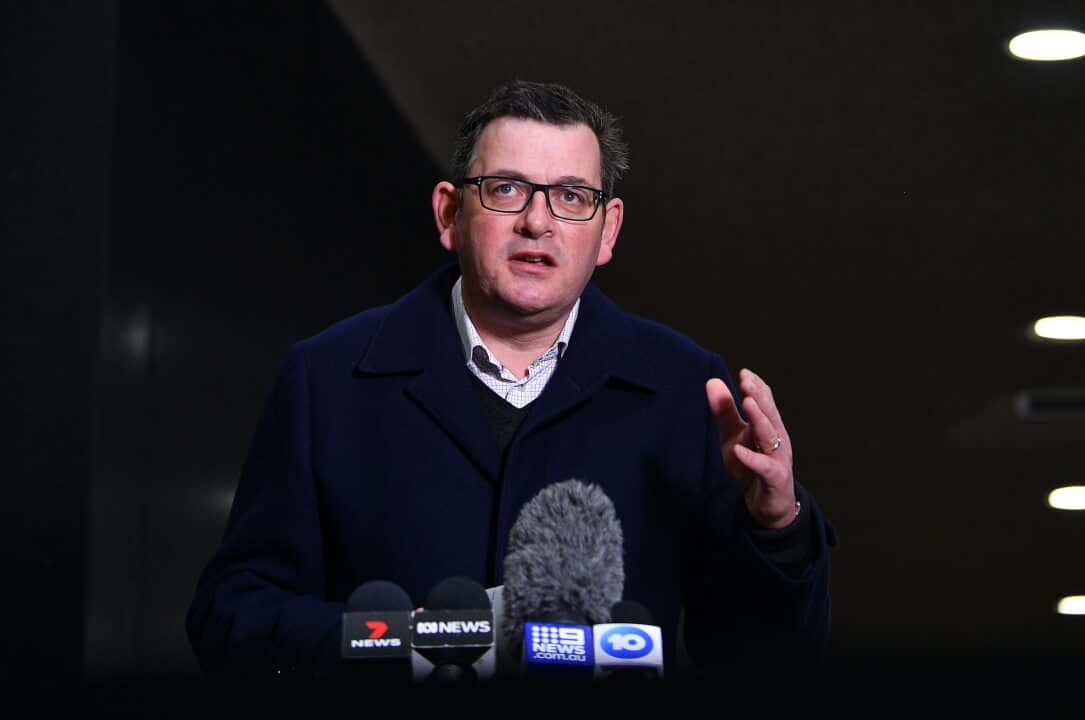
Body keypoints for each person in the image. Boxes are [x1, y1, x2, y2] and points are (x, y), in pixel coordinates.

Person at [186, 80, 835, 681]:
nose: (538, 221)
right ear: (449, 214)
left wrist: (777, 528)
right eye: (506, 189)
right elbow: (231, 615)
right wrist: (398, 645)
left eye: (572, 196)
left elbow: (756, 659)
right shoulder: (326, 377)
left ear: (607, 230)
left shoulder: (688, 387)